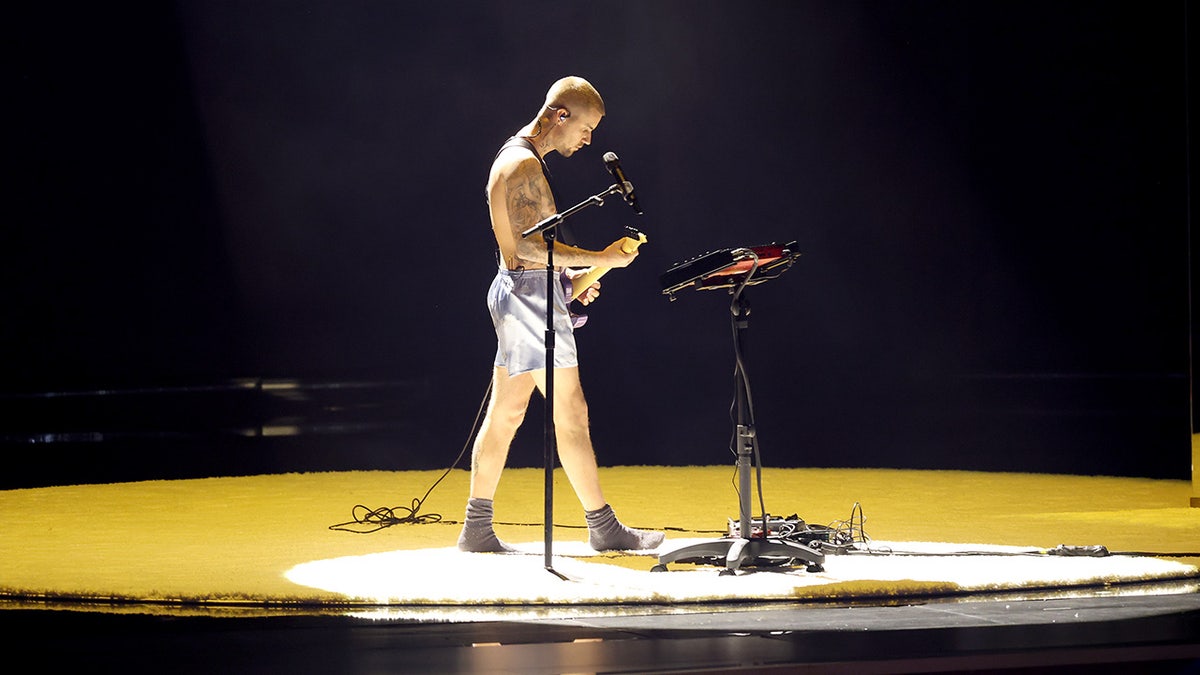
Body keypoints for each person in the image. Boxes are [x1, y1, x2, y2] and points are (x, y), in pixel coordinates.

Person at [457, 76, 664, 553]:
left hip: (524, 295)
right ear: (560, 115)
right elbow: (531, 250)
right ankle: (603, 527)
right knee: (571, 412)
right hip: (530, 298)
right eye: (586, 128)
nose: (588, 140)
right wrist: (603, 258)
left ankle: (476, 528)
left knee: (507, 411)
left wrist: (583, 277)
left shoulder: (519, 157)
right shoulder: (523, 163)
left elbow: (530, 261)